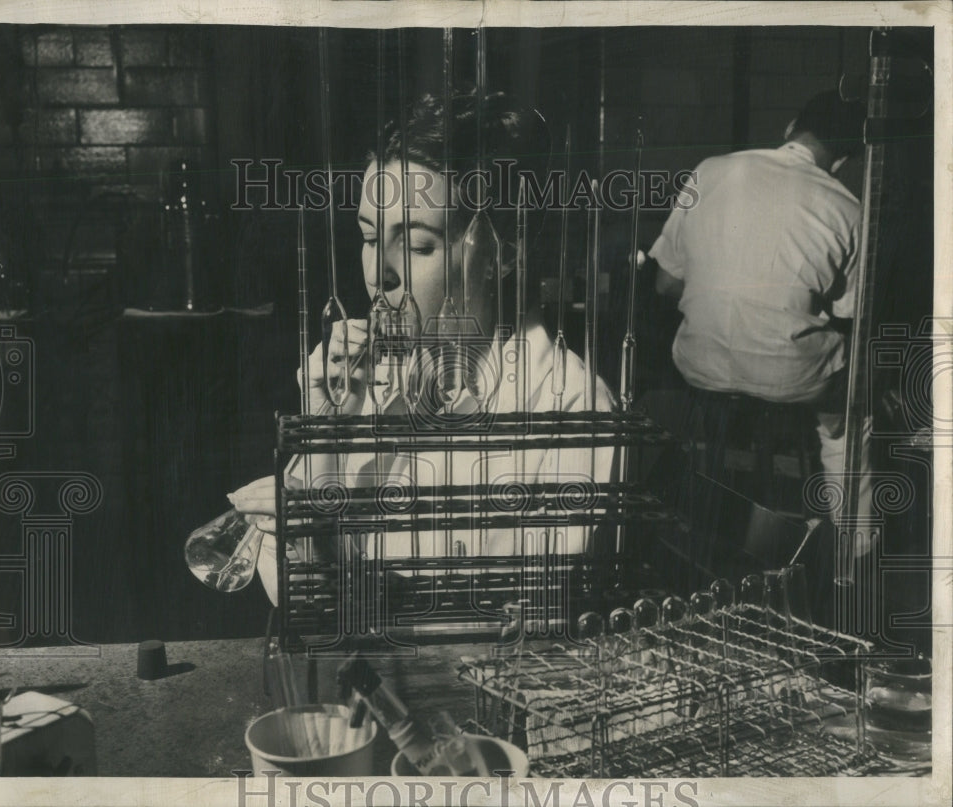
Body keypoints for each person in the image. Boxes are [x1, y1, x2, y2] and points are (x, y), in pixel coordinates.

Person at [228, 91, 615, 606]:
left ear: (503, 254)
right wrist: (324, 435)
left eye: (415, 245)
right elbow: (299, 599)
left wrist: (326, 536)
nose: (378, 275)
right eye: (369, 238)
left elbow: (533, 621)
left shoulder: (571, 406)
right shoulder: (363, 380)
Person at [649, 90, 872, 556]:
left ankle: (700, 523)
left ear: (791, 127)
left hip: (698, 367)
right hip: (789, 379)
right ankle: (854, 551)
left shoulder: (709, 170)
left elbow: (665, 286)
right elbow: (851, 316)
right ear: (845, 158)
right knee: (854, 411)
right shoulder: (850, 208)